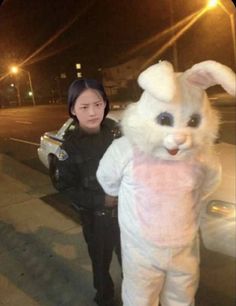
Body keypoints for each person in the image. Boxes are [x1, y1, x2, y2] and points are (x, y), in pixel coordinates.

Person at [55, 78, 121, 306]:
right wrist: (101, 200)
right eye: (84, 107)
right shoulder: (69, 148)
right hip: (96, 219)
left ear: (105, 103)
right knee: (100, 265)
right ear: (73, 109)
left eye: (98, 104)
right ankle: (104, 297)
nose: (93, 112)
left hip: (127, 216)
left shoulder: (117, 134)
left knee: (132, 262)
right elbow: (65, 186)